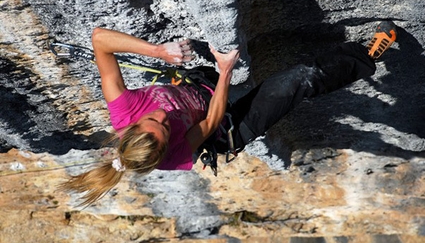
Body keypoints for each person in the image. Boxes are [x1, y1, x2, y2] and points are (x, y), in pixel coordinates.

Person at [60, 21, 397, 206]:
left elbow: (100, 39)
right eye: (166, 128)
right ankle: (367, 56)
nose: (163, 117)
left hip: (195, 85)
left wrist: (158, 51)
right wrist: (225, 72)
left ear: (131, 127)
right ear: (166, 148)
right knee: (300, 81)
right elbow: (208, 122)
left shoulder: (123, 108)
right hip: (226, 126)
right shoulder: (171, 156)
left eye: (155, 121)